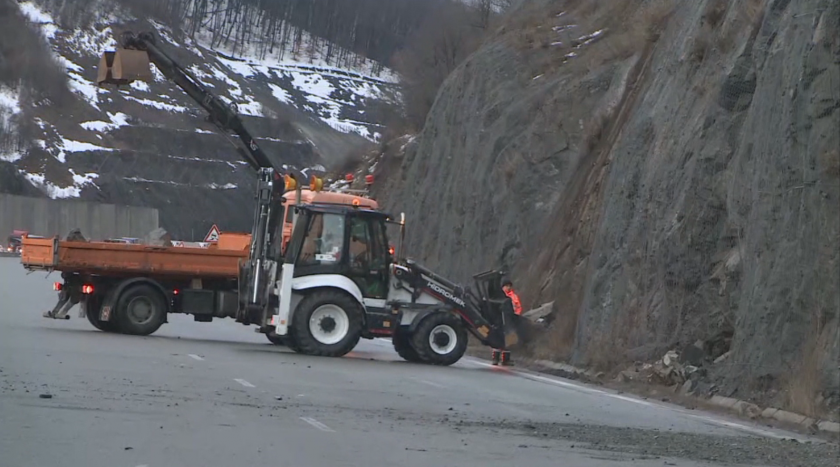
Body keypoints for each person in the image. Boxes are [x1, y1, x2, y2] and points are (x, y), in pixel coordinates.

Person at [492, 277, 523, 366]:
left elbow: (518, 307)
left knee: (509, 339)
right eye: (506, 286)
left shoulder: (513, 297)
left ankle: (506, 359)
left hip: (510, 320)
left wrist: (515, 316)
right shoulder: (499, 296)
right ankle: (495, 358)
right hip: (499, 320)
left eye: (509, 286)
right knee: (498, 339)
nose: (508, 287)